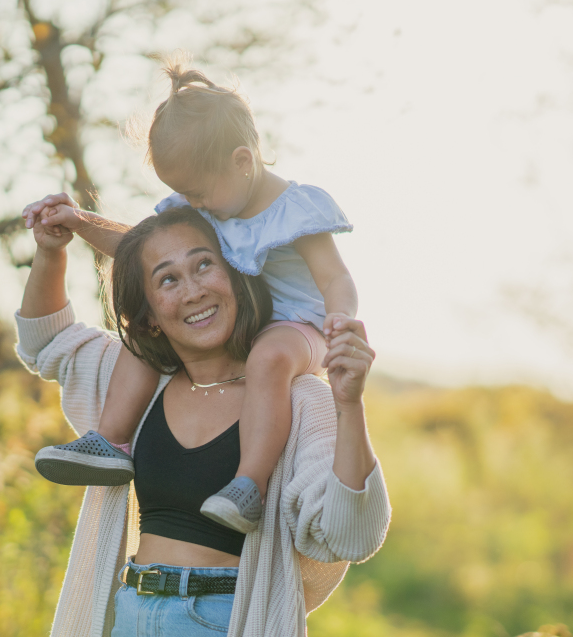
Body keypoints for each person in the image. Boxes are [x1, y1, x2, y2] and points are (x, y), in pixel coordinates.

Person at [15, 202, 389, 637]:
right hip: (131, 622)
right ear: (148, 317)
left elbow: (349, 533)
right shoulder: (135, 388)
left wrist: (350, 402)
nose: (192, 290)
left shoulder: (294, 397)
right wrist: (51, 251)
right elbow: (47, 343)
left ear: (238, 277)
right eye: (167, 279)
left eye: (204, 266)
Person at [24, 57, 358, 536]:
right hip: (245, 320)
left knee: (268, 359)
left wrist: (341, 321)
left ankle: (249, 486)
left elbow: (335, 279)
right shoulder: (216, 206)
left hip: (299, 328)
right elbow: (139, 251)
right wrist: (79, 224)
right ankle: (112, 442)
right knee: (149, 336)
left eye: (197, 193)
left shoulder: (295, 211)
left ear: (243, 161)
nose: (192, 204)